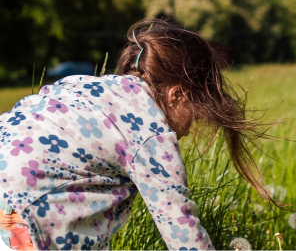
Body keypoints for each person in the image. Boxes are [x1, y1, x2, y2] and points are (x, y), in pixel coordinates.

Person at [0, 18, 273, 250]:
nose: (189, 130)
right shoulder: (150, 133)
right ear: (177, 94)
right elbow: (181, 228)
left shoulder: (85, 86)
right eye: (195, 113)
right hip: (30, 201)